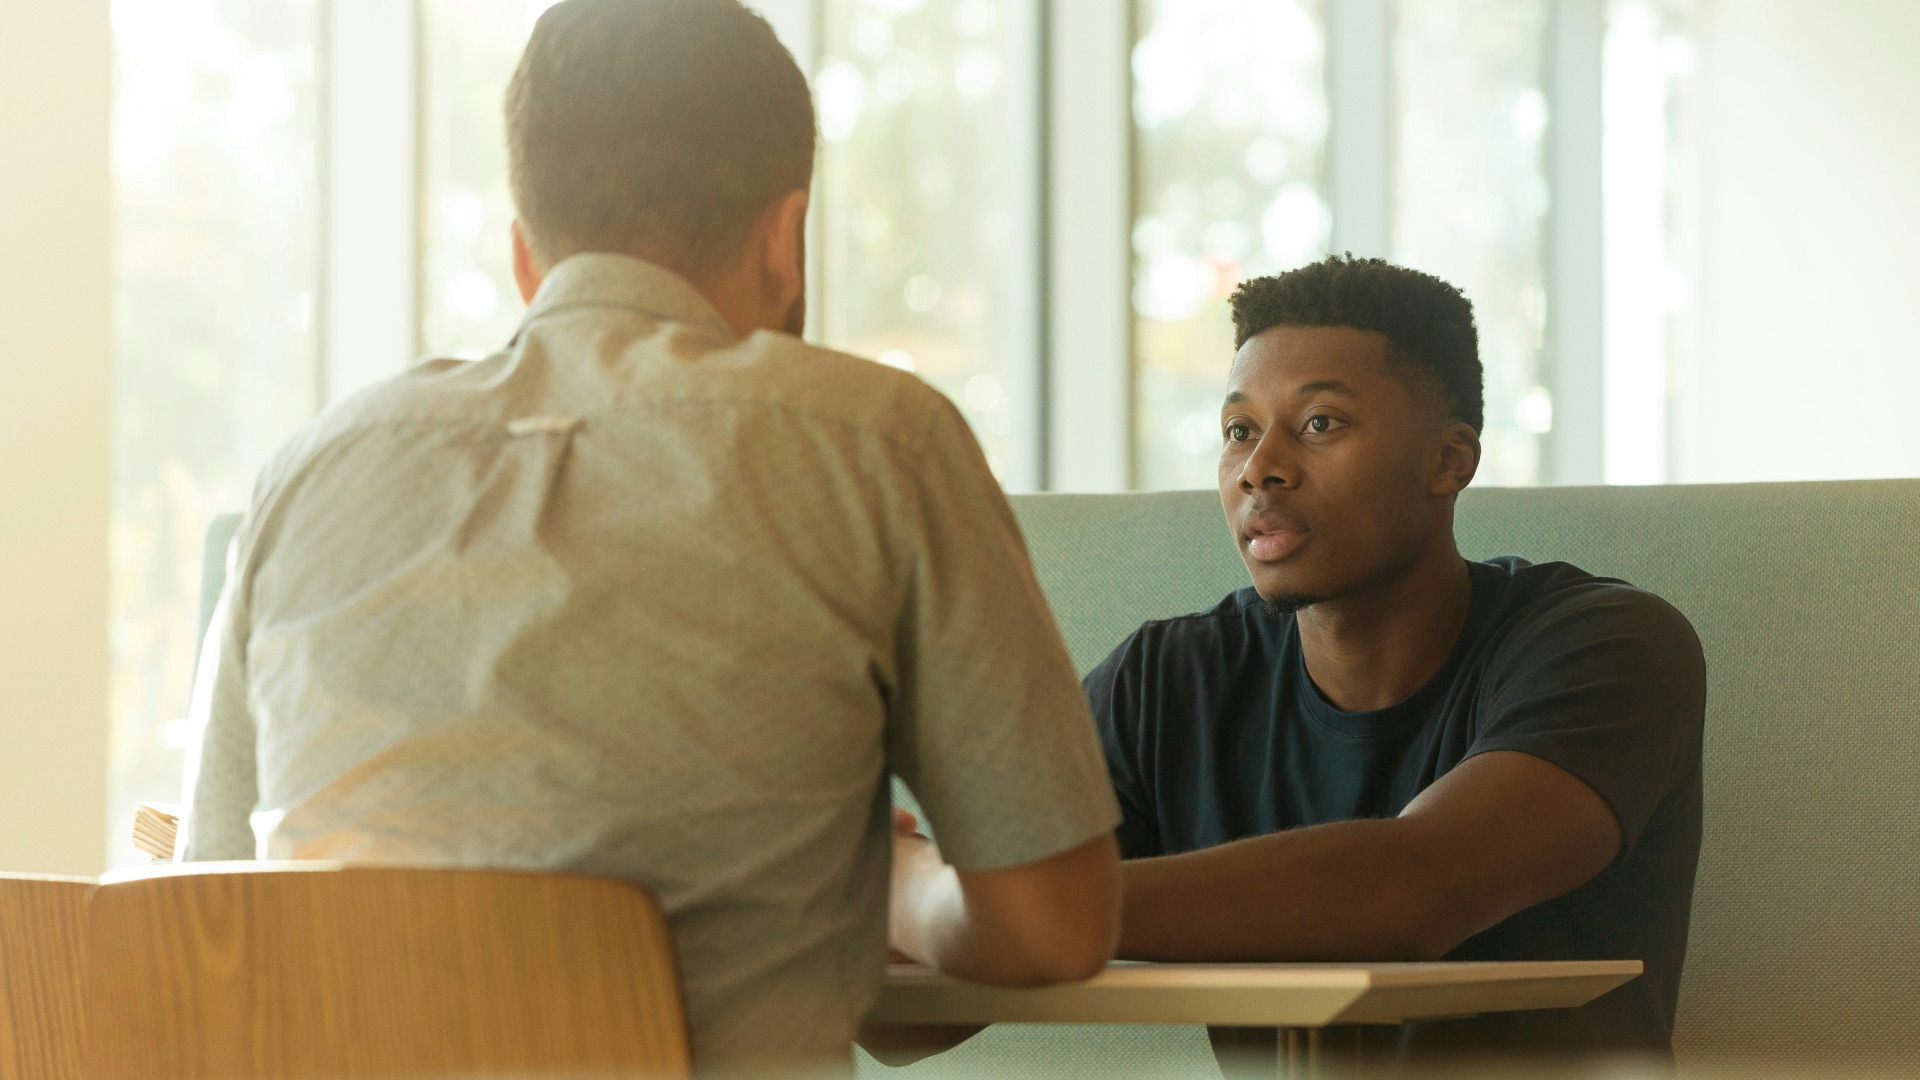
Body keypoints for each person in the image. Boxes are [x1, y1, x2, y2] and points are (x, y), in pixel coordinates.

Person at [177, 0, 1121, 1073]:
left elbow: (208, 920)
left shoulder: (308, 473)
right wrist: (895, 886)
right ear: (785, 240)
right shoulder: (879, 442)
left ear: (526, 259)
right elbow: (1052, 927)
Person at [1086, 256, 1705, 1063]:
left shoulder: (1609, 647)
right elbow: (930, 991)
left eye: (1319, 424)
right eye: (1239, 430)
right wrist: (937, 902)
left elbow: (1411, 891)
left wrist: (1008, 909)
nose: (1259, 467)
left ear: (1449, 461)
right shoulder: (1164, 683)